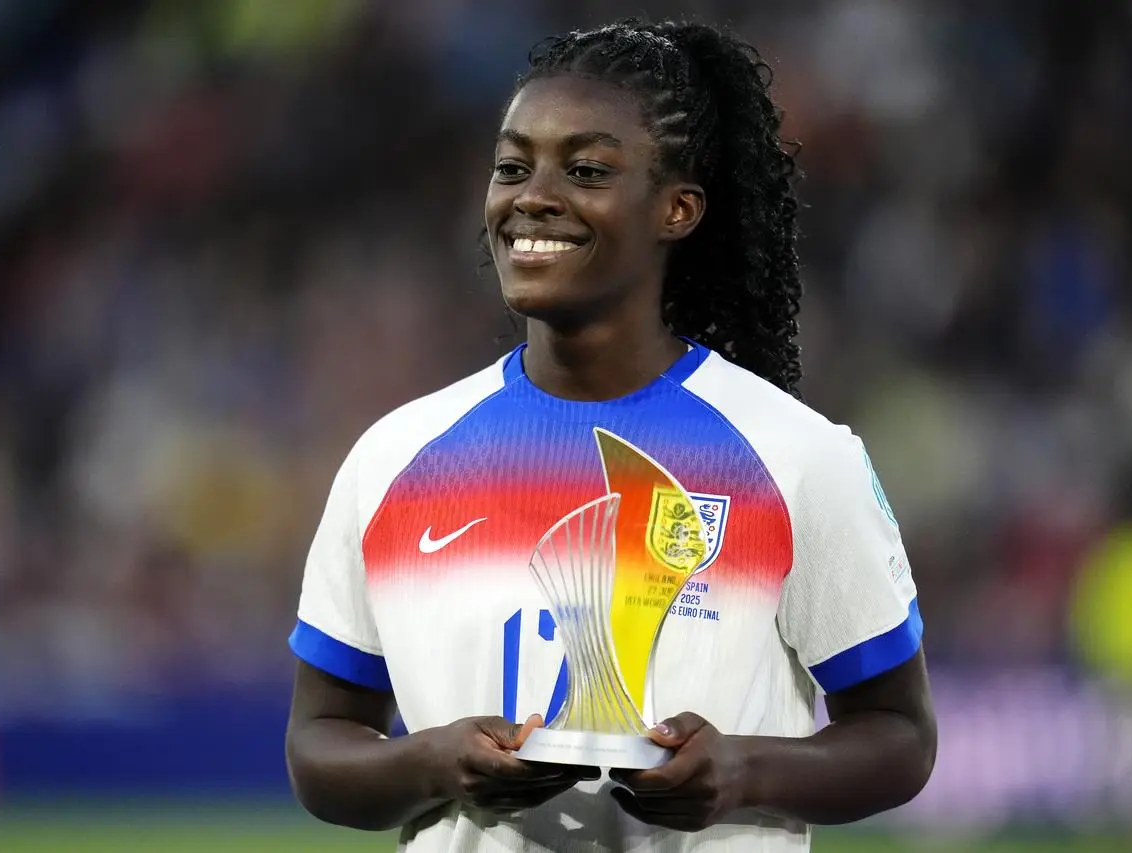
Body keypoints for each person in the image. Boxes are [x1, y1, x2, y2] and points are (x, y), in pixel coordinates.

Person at [285, 18, 936, 852]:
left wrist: (742, 770)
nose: (532, 196)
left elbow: (900, 735)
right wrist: (434, 762)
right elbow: (319, 744)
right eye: (512, 166)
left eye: (586, 169)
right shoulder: (392, 458)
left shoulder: (798, 458)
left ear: (677, 208)